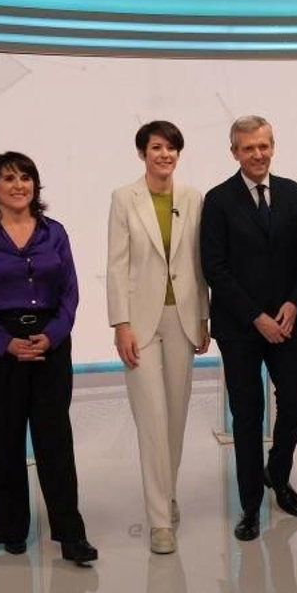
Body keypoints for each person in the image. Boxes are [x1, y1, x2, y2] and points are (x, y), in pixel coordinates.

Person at [0, 152, 98, 564]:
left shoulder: (54, 233)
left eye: (25, 177)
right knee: (1, 438)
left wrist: (52, 335)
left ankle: (71, 535)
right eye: (8, 179)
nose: (19, 185)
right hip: (0, 346)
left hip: (49, 343)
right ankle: (9, 528)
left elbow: (71, 293)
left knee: (55, 438)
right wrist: (5, 342)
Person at [200, 115, 297, 542]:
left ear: (273, 146)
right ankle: (250, 505)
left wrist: (293, 303)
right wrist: (257, 317)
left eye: (263, 146)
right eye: (248, 148)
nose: (257, 154)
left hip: (288, 323)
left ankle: (278, 472)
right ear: (234, 152)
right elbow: (215, 268)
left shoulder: (294, 193)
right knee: (247, 416)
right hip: (240, 327)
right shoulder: (217, 200)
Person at [108, 120, 210, 555]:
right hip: (141, 321)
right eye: (156, 148)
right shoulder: (123, 198)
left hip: (184, 316)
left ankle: (167, 493)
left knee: (175, 416)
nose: (164, 155)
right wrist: (121, 324)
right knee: (150, 418)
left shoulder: (193, 198)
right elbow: (116, 264)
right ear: (142, 153)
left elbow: (200, 262)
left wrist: (204, 316)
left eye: (171, 148)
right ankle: (159, 521)